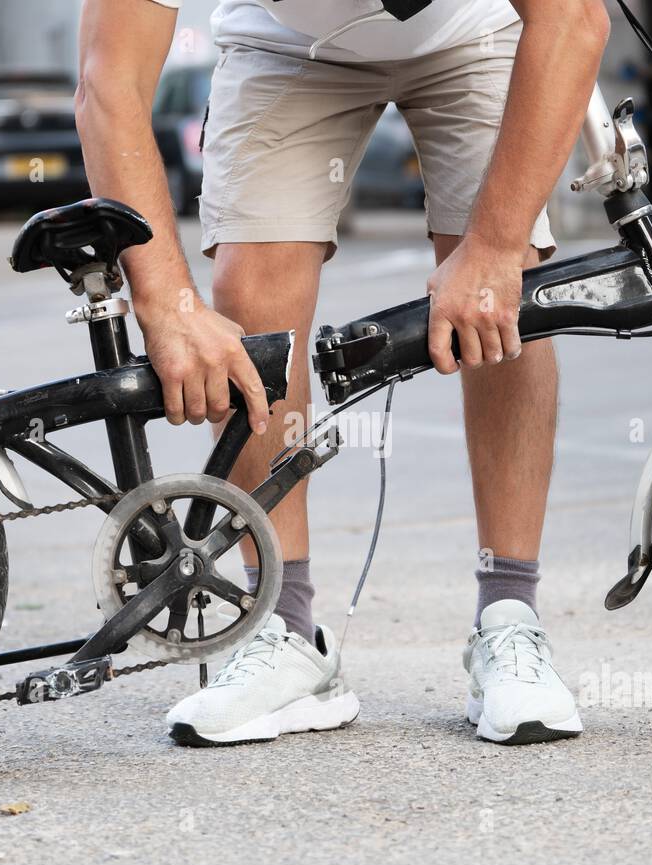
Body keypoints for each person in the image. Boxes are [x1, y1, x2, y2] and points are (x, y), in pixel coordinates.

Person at [75, 0, 610, 746]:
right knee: (251, 296)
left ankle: (509, 612)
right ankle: (285, 629)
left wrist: (492, 249)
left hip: (474, 31)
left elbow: (574, 19)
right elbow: (110, 80)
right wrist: (165, 303)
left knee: (500, 297)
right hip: (287, 45)